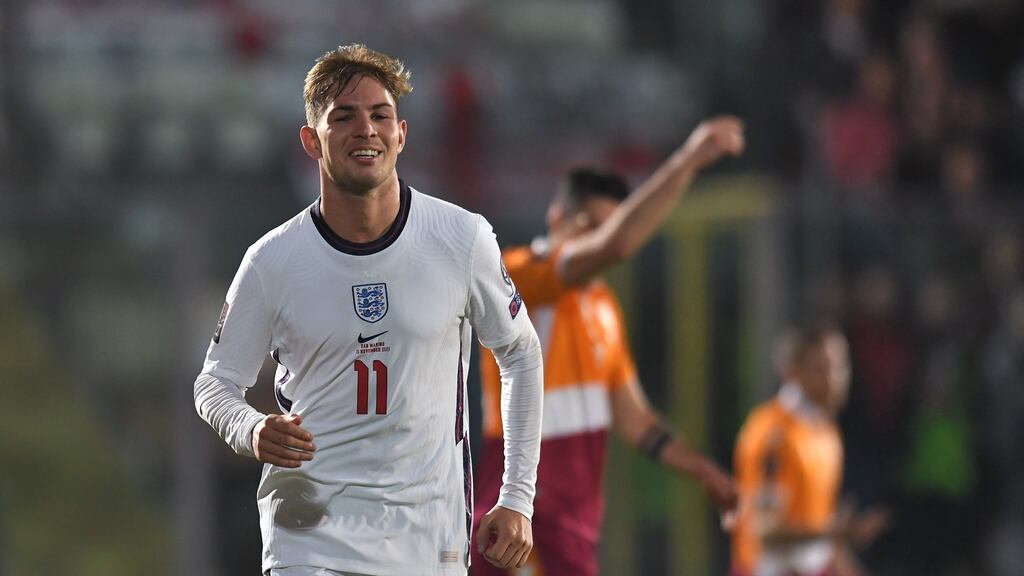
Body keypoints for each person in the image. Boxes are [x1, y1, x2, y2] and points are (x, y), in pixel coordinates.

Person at [193, 44, 544, 576]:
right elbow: (214, 384)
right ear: (311, 140)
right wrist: (251, 428)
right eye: (345, 116)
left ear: (402, 134)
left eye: (380, 115)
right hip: (308, 539)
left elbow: (520, 352)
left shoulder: (461, 238)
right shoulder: (272, 260)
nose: (366, 129)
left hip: (429, 540)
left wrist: (517, 497)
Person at [471, 117, 746, 576]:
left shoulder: (603, 306)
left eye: (608, 228)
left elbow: (635, 419)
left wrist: (702, 469)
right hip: (522, 517)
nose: (600, 242)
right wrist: (689, 159)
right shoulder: (520, 276)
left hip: (574, 526)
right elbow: (617, 245)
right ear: (556, 218)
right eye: (590, 227)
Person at [731, 324, 890, 576]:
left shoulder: (825, 432)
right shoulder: (774, 434)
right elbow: (765, 532)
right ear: (793, 373)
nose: (836, 378)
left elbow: (824, 535)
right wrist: (833, 533)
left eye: (841, 366)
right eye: (822, 369)